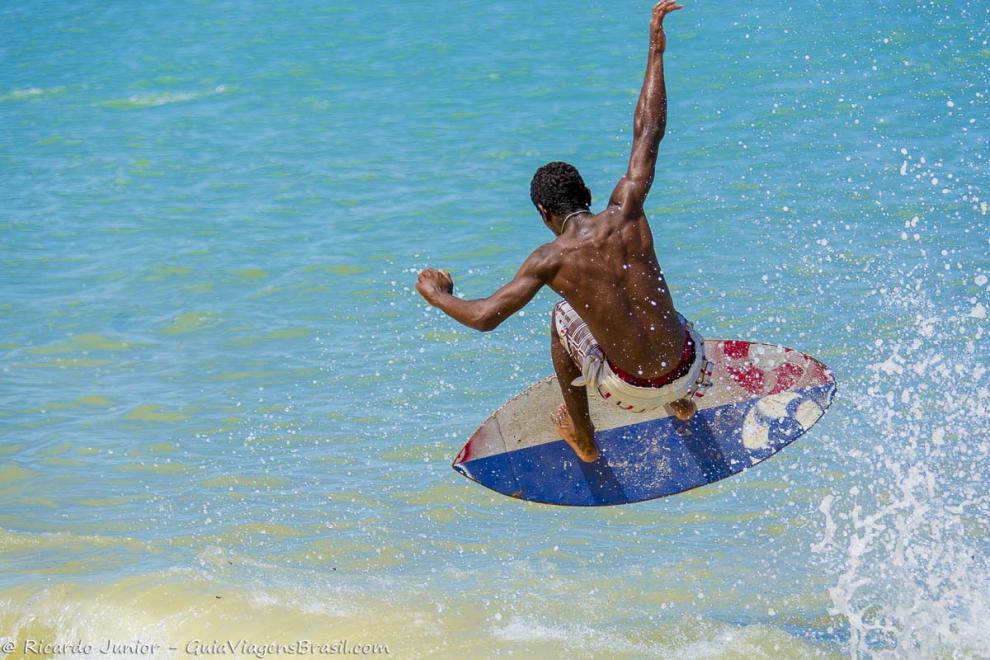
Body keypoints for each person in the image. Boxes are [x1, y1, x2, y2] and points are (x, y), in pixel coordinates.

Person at [416, 1, 705, 463]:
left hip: (627, 388)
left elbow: (487, 316)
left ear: (542, 212)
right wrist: (655, 49)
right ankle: (679, 399)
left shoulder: (549, 260)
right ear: (588, 191)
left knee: (561, 316)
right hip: (691, 365)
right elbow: (649, 130)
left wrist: (436, 294)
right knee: (641, 286)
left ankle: (587, 441)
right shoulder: (627, 208)